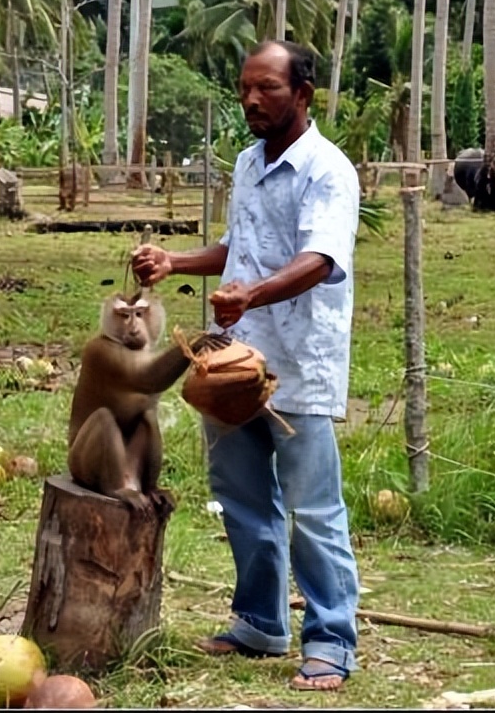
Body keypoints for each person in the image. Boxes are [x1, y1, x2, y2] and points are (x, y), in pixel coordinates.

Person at [131, 40, 361, 692]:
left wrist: (252, 294)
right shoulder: (248, 163)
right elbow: (239, 248)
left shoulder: (327, 170)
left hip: (298, 361)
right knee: (241, 497)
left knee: (312, 508)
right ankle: (260, 622)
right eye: (244, 89)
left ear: (303, 95)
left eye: (267, 89)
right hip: (232, 362)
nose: (252, 100)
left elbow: (320, 259)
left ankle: (331, 639)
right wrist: (175, 262)